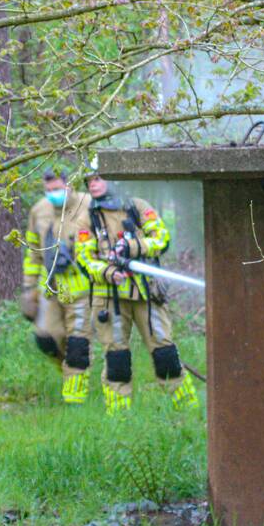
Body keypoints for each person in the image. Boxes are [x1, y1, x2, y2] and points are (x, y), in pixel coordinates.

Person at [74, 162, 199, 414]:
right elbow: (84, 258)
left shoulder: (138, 207)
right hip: (109, 299)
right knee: (117, 359)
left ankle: (187, 411)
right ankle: (119, 417)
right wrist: (109, 272)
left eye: (98, 178)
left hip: (146, 293)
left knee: (165, 352)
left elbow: (162, 239)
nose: (93, 184)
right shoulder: (87, 218)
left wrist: (133, 247)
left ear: (114, 179)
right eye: (89, 181)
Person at [21, 169, 95, 404]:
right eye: (49, 190)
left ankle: (75, 400)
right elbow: (33, 251)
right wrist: (28, 287)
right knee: (46, 338)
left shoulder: (88, 204)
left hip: (82, 288)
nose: (53, 194)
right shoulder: (39, 211)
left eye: (58, 189)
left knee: (78, 344)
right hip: (51, 288)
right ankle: (67, 371)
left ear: (69, 186)